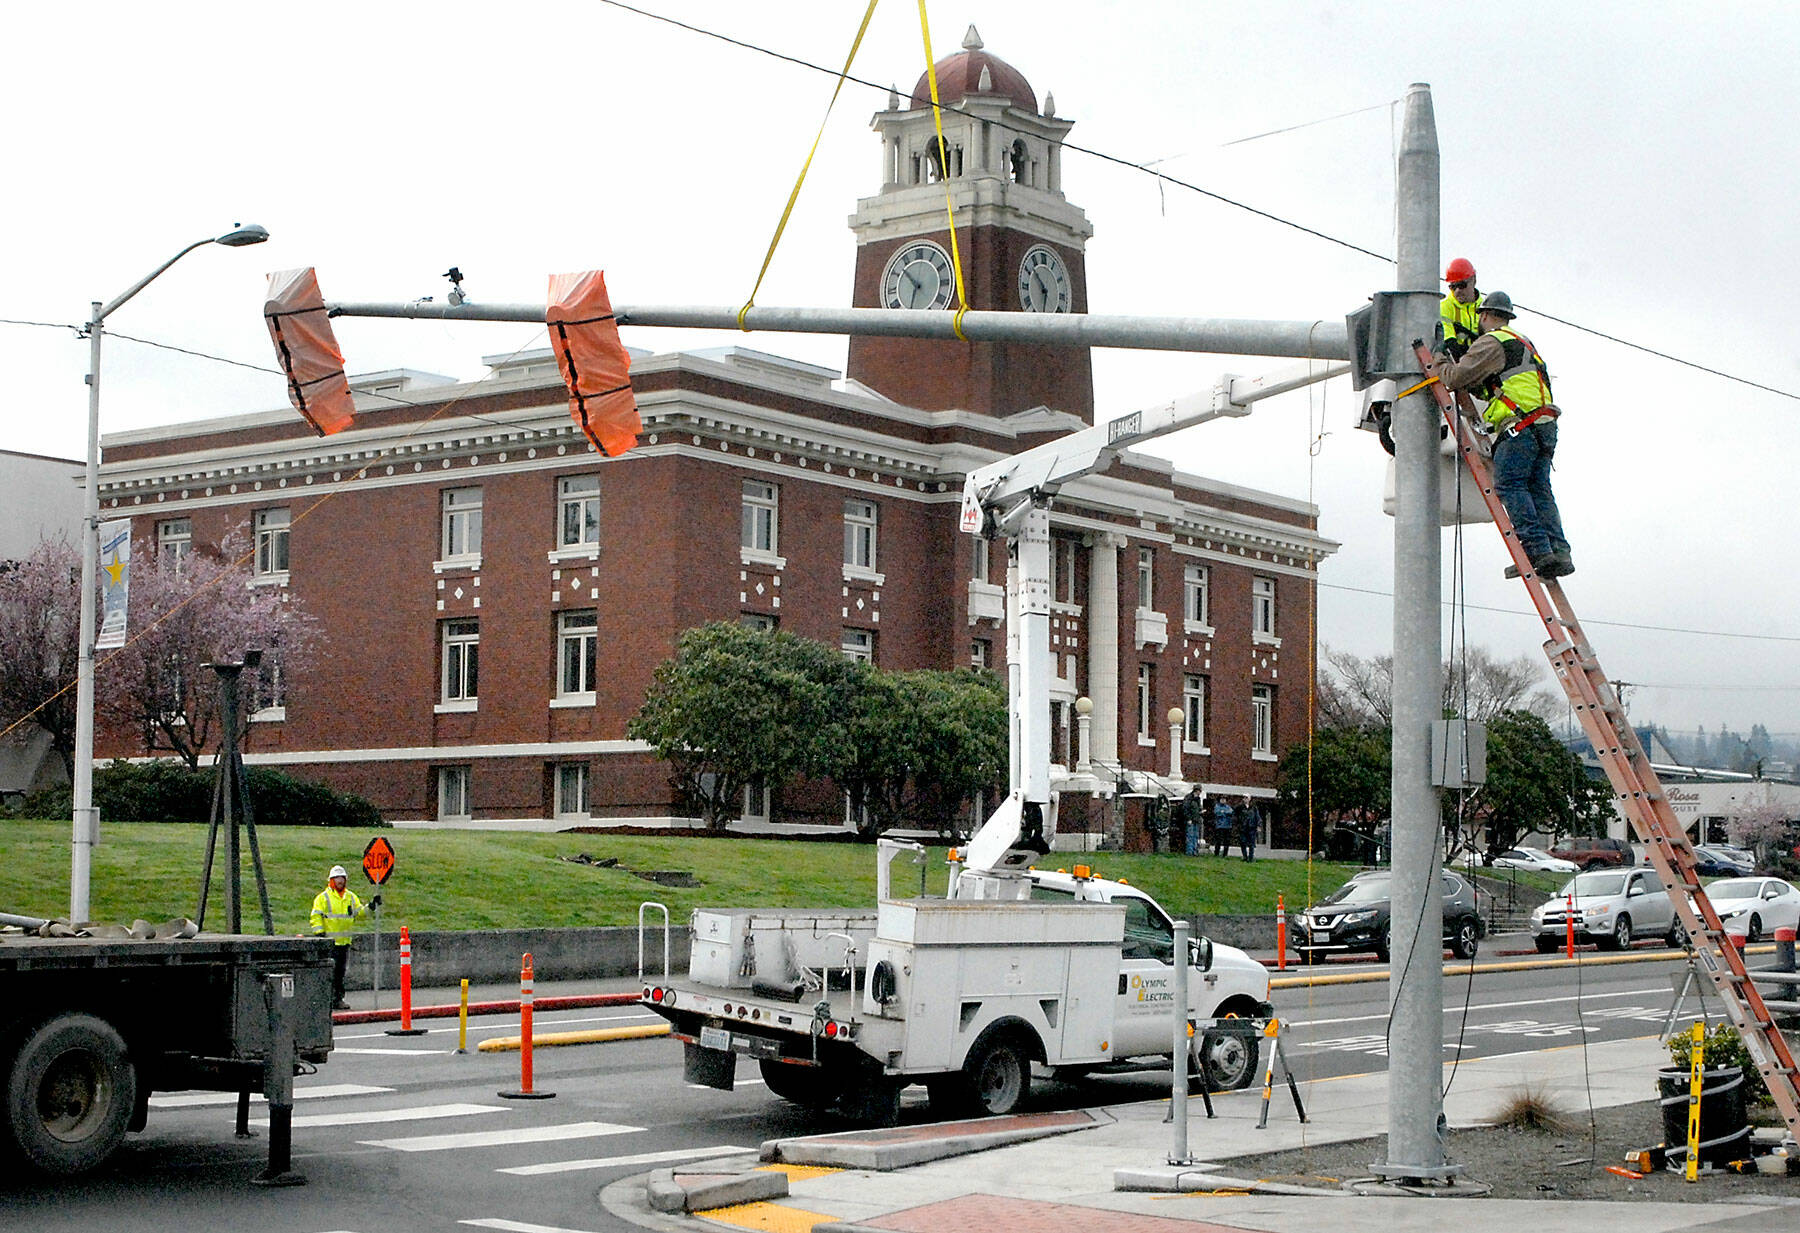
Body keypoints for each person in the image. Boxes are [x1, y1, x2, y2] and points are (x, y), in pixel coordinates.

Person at [1436, 291, 1573, 580]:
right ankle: (1558, 551)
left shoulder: (1490, 342)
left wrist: (1439, 357)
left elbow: (1454, 377)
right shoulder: (1522, 343)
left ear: (1484, 316)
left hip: (1520, 427)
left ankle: (1536, 551)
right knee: (1538, 488)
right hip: (1544, 424)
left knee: (1511, 486)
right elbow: (1498, 384)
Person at [310, 864, 377, 1009]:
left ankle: (337, 999)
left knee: (340, 973)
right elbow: (316, 916)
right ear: (331, 880)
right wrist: (319, 933)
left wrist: (371, 907)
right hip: (329, 943)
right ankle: (327, 1000)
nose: (340, 881)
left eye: (342, 878)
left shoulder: (350, 897)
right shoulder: (323, 898)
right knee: (329, 973)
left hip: (344, 942)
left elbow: (360, 913)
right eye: (337, 879)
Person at [1434, 257, 1484, 360]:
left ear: (1474, 280)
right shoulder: (1445, 307)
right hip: (1456, 362)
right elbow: (1449, 342)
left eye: (1461, 285)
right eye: (1453, 287)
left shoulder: (1485, 308)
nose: (1457, 291)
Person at [1169, 784, 1205, 857]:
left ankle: (1195, 851)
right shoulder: (1188, 798)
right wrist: (1188, 819)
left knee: (1196, 836)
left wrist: (1201, 811)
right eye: (1198, 791)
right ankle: (1189, 852)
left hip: (1196, 820)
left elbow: (1197, 809)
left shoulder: (1198, 799)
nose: (1199, 792)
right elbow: (1185, 809)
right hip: (1190, 820)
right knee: (1190, 836)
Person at [1235, 795, 1260, 862]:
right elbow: (1235, 815)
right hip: (1243, 828)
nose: (1245, 799)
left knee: (1251, 844)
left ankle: (1251, 857)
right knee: (1243, 843)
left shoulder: (1254, 808)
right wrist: (1238, 824)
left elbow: (1257, 817)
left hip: (1251, 828)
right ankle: (1245, 856)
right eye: (1244, 798)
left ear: (1249, 799)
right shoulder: (1240, 807)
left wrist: (1258, 825)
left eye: (1246, 798)